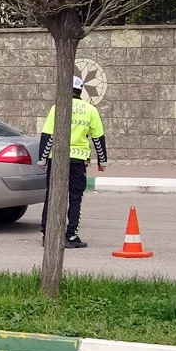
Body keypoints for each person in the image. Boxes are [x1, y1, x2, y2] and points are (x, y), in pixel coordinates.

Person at [38, 76, 107, 248]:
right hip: (78, 160)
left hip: (57, 159)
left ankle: (48, 235)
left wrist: (42, 158)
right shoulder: (90, 110)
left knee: (52, 195)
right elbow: (98, 137)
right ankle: (70, 235)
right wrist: (102, 161)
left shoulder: (57, 108)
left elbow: (48, 134)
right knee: (75, 197)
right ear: (81, 90)